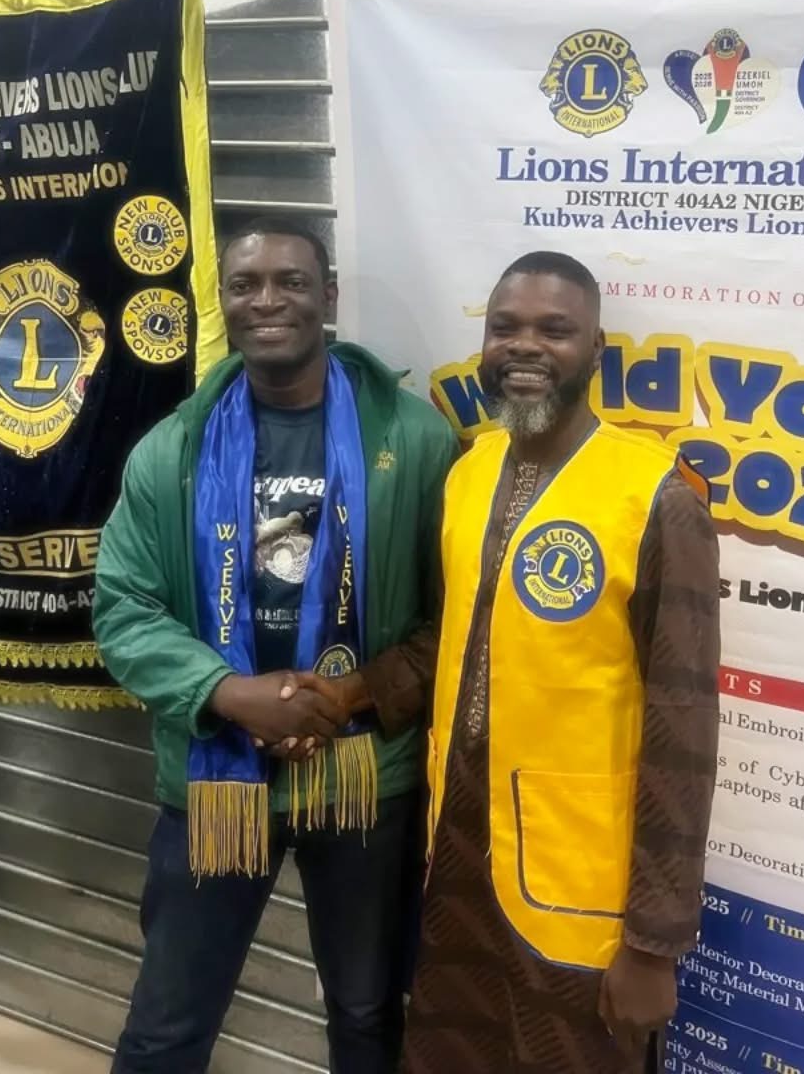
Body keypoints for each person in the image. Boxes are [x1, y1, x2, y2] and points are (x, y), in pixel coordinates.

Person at [94, 215, 458, 1074]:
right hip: (218, 776)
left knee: (368, 1016)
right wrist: (231, 695)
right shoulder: (172, 450)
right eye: (245, 283)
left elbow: (454, 620)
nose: (267, 300)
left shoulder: (414, 441)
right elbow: (124, 609)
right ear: (221, 301)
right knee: (166, 1025)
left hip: (361, 776)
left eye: (291, 281)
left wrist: (352, 693)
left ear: (326, 297)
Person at [402, 251, 720, 1074]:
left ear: (596, 350)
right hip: (458, 857)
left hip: (583, 891)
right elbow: (452, 644)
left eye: (555, 329)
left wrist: (653, 944)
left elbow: (684, 729)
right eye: (504, 327)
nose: (525, 347)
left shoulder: (657, 497)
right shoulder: (468, 473)